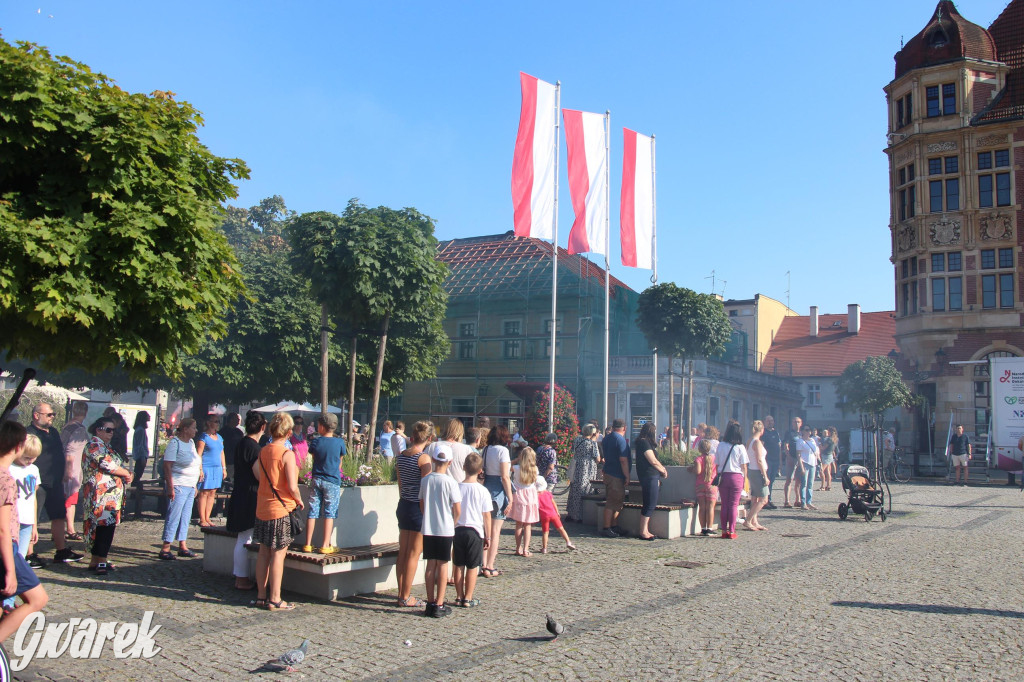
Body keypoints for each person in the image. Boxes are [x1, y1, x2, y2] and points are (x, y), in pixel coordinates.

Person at [0, 421, 49, 642]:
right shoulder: (6, 480)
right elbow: (2, 529)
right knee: (37, 599)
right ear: (19, 446)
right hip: (5, 548)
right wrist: (11, 569)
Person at [253, 412, 304, 611]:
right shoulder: (286, 454)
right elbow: (292, 485)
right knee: (278, 554)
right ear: (289, 432)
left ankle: (260, 595)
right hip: (281, 508)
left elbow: (256, 472)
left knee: (263, 552)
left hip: (263, 506)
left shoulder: (263, 450)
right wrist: (298, 499)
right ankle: (275, 598)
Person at [29, 403, 81, 563]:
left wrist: (66, 471)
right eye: (49, 414)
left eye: (53, 415)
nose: (52, 417)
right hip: (38, 482)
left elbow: (60, 452)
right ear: (36, 415)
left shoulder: (53, 432)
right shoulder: (29, 433)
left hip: (55, 481)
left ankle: (61, 550)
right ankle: (28, 554)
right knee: (32, 519)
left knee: (59, 516)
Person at [82, 415, 133, 573]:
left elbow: (116, 463)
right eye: (108, 430)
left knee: (105, 527)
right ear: (99, 430)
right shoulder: (94, 445)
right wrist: (125, 472)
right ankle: (101, 560)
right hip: (100, 496)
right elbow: (107, 464)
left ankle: (96, 560)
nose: (111, 433)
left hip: (110, 496)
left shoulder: (107, 446)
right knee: (102, 528)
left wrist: (126, 473)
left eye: (113, 430)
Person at [419, 442, 462, 617]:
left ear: (434, 460)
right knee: (443, 564)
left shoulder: (426, 480)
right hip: (445, 528)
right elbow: (457, 508)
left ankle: (429, 602)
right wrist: (453, 522)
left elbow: (421, 503)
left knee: (430, 564)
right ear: (450, 462)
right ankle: (440, 603)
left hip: (428, 527)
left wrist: (427, 516)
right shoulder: (451, 482)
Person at [225, 411, 266, 589]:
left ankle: (241, 576)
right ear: (262, 427)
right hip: (250, 494)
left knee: (244, 537)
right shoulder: (254, 447)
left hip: (241, 491)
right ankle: (241, 578)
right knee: (246, 537)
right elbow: (259, 475)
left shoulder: (243, 443)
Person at [395, 421, 432, 608]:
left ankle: (401, 592)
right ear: (429, 438)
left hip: (404, 504)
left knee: (403, 553)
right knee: (413, 554)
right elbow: (425, 489)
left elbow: (400, 484)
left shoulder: (401, 456)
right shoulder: (424, 459)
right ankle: (406, 596)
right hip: (418, 506)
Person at [158, 418, 201, 561]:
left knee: (185, 516)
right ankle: (166, 546)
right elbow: (167, 466)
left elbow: (194, 463)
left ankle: (183, 544)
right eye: (194, 427)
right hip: (178, 484)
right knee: (174, 515)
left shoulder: (191, 443)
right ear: (185, 429)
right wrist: (170, 487)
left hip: (189, 484)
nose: (196, 430)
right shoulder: (175, 443)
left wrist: (194, 484)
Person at [303, 414, 345, 554]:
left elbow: (314, 457)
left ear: (322, 426)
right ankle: (325, 545)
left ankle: (308, 544)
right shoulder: (339, 442)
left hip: (317, 479)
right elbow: (340, 462)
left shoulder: (316, 441)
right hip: (332, 480)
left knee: (313, 510)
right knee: (329, 513)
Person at [452, 453, 491, 607]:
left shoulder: (456, 487)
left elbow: (452, 510)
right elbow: (486, 516)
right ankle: (468, 597)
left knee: (458, 565)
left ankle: (459, 595)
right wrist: (488, 536)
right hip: (475, 531)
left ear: (463, 468)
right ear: (480, 470)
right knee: (473, 566)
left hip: (458, 529)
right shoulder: (482, 491)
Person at [479, 425, 513, 578]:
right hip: (499, 489)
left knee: (486, 530)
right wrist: (510, 497)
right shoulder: (503, 451)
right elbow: (505, 476)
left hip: (486, 487)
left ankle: (483, 564)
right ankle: (490, 566)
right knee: (495, 531)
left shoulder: (485, 450)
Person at [10, 435, 43, 574]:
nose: (30, 461)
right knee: (10, 557)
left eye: (33, 458)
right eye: (26, 457)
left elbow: (33, 498)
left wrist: (34, 526)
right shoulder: (9, 468)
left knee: (21, 559)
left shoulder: (33, 469)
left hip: (27, 520)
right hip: (12, 519)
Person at [59, 401, 90, 546]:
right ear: (85, 412)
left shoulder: (66, 426)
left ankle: (62, 529)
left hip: (64, 466)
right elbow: (70, 452)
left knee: (66, 499)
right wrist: (69, 470)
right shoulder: (79, 429)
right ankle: (70, 529)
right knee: (70, 500)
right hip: (72, 468)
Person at [715, 420, 749, 539]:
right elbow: (744, 466)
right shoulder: (740, 447)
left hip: (723, 476)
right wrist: (745, 480)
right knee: (733, 505)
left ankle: (724, 530)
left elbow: (717, 463)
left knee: (725, 504)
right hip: (736, 476)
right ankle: (732, 530)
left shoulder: (721, 445)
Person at [634, 422, 668, 541]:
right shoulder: (644, 443)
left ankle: (646, 530)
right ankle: (643, 531)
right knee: (649, 503)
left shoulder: (642, 442)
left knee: (650, 503)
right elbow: (652, 460)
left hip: (650, 475)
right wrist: (663, 470)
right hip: (649, 475)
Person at [601, 419, 631, 538]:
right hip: (616, 474)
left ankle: (614, 526)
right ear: (624, 428)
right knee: (612, 502)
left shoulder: (607, 438)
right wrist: (627, 476)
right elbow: (623, 460)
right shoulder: (620, 440)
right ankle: (607, 527)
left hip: (608, 472)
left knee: (617, 501)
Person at [508, 446, 540, 556]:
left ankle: (518, 548)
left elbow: (508, 465)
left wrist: (517, 460)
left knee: (518, 524)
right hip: (530, 496)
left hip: (519, 495)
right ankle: (526, 549)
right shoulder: (535, 469)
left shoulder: (516, 468)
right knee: (528, 525)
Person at [194, 416, 226, 527]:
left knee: (212, 493)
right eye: (216, 421)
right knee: (204, 493)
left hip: (217, 468)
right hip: (207, 467)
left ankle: (207, 517)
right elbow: (199, 453)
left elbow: (222, 453)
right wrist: (200, 468)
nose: (218, 423)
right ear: (209, 423)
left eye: (218, 421)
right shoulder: (204, 437)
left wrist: (224, 468)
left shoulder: (220, 437)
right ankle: (202, 518)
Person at [566, 424, 601, 523]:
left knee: (574, 489)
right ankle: (579, 515)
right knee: (584, 490)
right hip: (587, 468)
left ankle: (571, 513)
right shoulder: (592, 443)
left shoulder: (577, 440)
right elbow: (597, 458)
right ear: (592, 433)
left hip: (577, 466)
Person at [535, 475, 576, 553]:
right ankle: (568, 542)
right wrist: (557, 511)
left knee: (545, 532)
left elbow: (536, 507)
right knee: (561, 529)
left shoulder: (536, 496)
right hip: (553, 514)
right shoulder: (547, 493)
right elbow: (553, 503)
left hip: (544, 516)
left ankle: (544, 548)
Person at [743, 420, 769, 531]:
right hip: (758, 471)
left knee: (755, 497)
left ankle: (754, 520)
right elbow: (759, 459)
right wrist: (765, 475)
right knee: (764, 499)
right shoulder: (757, 442)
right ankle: (748, 520)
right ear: (762, 430)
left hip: (751, 470)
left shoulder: (749, 441)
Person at [690, 439, 718, 536]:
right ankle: (709, 528)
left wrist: (691, 469)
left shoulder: (699, 459)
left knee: (702, 507)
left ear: (699, 448)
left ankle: (703, 528)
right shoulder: (714, 458)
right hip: (712, 485)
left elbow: (698, 471)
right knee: (710, 507)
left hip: (700, 485)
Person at [432, 419, 473, 484]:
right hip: (458, 487)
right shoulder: (466, 449)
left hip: (435, 486)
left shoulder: (433, 446)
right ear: (461, 432)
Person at [796, 424, 821, 510]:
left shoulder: (813, 440)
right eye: (806, 430)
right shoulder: (800, 441)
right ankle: (803, 502)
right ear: (802, 431)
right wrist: (801, 467)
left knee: (810, 484)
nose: (808, 432)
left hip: (813, 463)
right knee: (804, 484)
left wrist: (818, 459)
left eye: (809, 430)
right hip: (805, 463)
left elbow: (816, 451)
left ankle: (809, 502)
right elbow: (798, 455)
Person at [782, 416, 803, 508]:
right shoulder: (789, 433)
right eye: (795, 422)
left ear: (801, 423)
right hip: (792, 458)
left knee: (798, 480)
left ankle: (797, 500)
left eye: (798, 422)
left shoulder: (802, 433)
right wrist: (788, 456)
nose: (796, 423)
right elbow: (785, 445)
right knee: (789, 479)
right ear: (792, 423)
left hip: (801, 459)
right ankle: (787, 500)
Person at [761, 415, 782, 510]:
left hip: (775, 459)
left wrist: (780, 460)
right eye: (768, 420)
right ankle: (764, 500)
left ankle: (769, 498)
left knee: (772, 481)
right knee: (766, 481)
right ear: (765, 422)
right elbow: (761, 447)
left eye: (772, 420)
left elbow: (779, 447)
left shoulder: (775, 432)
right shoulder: (763, 433)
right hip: (767, 460)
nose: (770, 422)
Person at [219, 412, 244, 480]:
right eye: (236, 419)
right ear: (231, 419)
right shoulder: (223, 431)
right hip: (227, 457)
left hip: (236, 458)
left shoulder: (239, 432)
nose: (238, 420)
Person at [131, 411, 151, 486]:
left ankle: (135, 490)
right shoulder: (141, 430)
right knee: (138, 474)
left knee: (138, 474)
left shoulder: (140, 429)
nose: (149, 416)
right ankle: (134, 491)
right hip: (141, 455)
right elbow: (140, 445)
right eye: (147, 415)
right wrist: (142, 456)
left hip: (141, 455)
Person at [818, 427, 838, 491]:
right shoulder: (835, 439)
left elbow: (823, 448)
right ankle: (828, 486)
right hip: (830, 455)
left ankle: (822, 486)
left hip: (826, 456)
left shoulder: (829, 439)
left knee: (821, 470)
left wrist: (819, 443)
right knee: (828, 472)